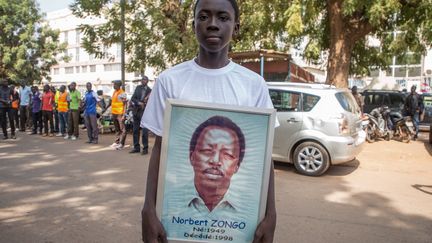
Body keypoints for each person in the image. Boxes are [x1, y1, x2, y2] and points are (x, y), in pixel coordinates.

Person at [140, 0, 277, 242]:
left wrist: (271, 213)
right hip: (178, 230)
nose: (212, 24)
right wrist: (148, 208)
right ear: (193, 24)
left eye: (223, 18)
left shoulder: (253, 85)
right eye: (203, 17)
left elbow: (263, 159)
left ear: (235, 27)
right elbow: (160, 150)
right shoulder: (169, 80)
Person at [188, 115, 245, 212]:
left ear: (237, 166)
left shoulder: (249, 209)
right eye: (207, 150)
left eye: (227, 154)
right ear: (192, 157)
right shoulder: (169, 201)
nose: (215, 161)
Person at [129, 76, 152, 155]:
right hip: (136, 111)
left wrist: (145, 103)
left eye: (145, 79)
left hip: (144, 112)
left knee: (144, 131)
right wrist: (139, 103)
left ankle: (145, 148)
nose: (143, 81)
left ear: (147, 81)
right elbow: (133, 98)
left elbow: (151, 102)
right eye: (142, 79)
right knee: (135, 130)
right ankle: (136, 147)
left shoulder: (150, 91)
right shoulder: (138, 88)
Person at [106, 80, 128, 150]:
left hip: (120, 114)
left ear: (119, 85)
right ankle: (117, 142)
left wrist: (124, 114)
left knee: (123, 129)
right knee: (117, 129)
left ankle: (122, 144)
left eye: (115, 84)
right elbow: (113, 102)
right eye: (113, 84)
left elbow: (125, 105)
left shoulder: (122, 93)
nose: (113, 86)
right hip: (114, 113)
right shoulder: (114, 92)